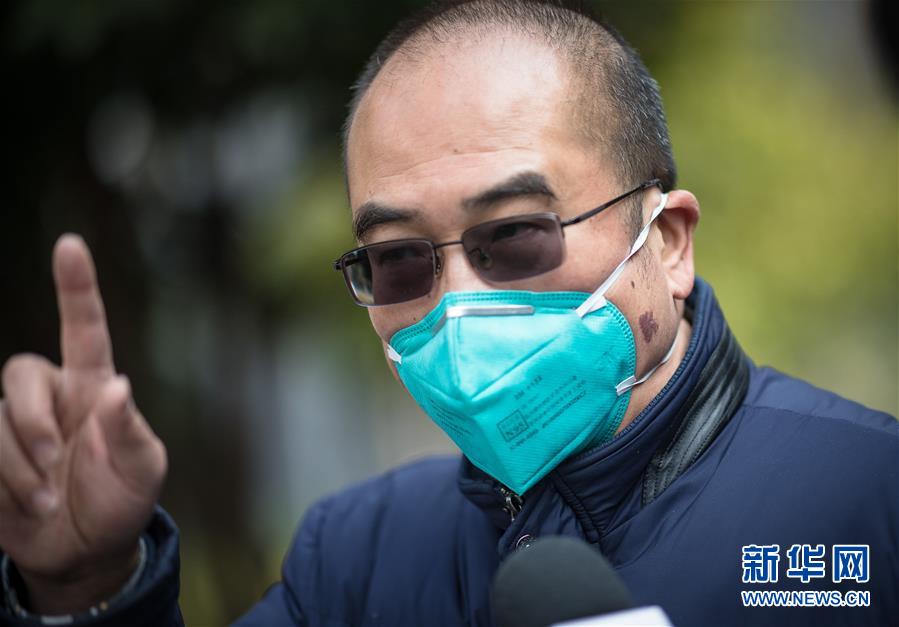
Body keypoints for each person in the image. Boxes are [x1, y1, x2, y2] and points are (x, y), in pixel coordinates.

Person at [1, 1, 896, 625]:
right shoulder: (353, 559)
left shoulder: (869, 501)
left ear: (666, 243)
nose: (459, 304)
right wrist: (90, 588)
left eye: (515, 234)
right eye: (399, 259)